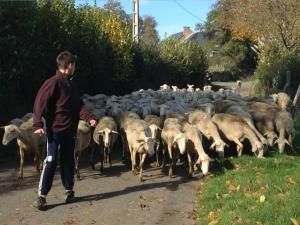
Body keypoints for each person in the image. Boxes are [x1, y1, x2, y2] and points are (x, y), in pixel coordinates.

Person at [33, 51, 97, 210]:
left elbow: (79, 105)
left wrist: (88, 118)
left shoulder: (71, 84)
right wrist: (37, 124)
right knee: (51, 160)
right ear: (69, 66)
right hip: (55, 130)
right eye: (74, 65)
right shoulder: (54, 82)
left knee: (69, 160)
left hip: (70, 131)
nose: (74, 67)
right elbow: (40, 100)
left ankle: (69, 190)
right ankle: (42, 196)